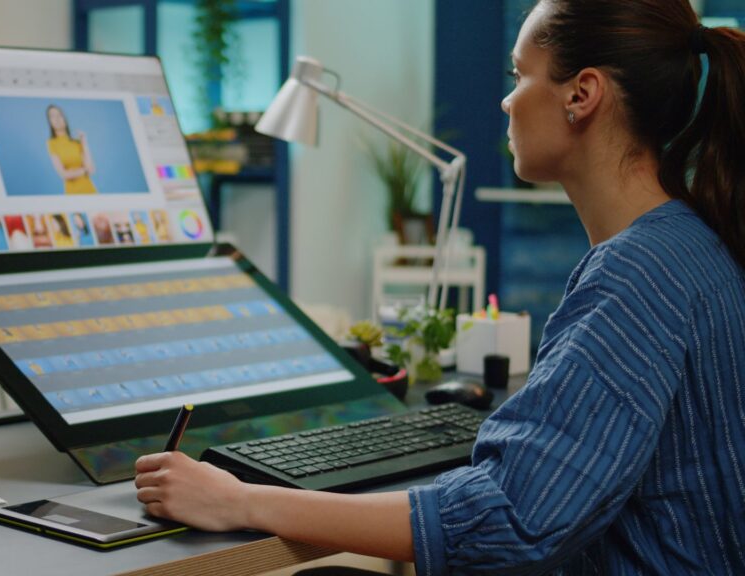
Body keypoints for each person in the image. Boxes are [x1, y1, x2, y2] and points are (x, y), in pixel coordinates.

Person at [133, 1, 745, 573]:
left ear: (582, 95)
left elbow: (508, 519)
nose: (507, 102)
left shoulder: (636, 274)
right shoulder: (690, 243)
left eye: (519, 74)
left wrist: (240, 501)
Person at [46, 104, 97, 194]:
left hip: (90, 191)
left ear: (64, 118)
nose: (57, 119)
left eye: (59, 115)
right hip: (72, 193)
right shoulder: (51, 143)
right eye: (52, 116)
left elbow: (91, 169)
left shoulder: (76, 142)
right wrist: (84, 170)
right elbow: (63, 174)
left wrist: (84, 143)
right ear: (50, 122)